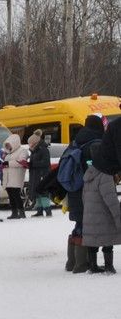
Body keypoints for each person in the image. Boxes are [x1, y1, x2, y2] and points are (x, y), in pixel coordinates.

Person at [66, 115, 106, 273]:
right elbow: (98, 170)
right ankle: (82, 264)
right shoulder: (95, 142)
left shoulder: (76, 141)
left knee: (80, 224)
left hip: (74, 189)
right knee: (87, 225)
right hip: (89, 191)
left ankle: (73, 262)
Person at [80, 118, 121, 274]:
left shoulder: (89, 174)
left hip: (90, 216)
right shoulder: (105, 175)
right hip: (103, 215)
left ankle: (92, 266)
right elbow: (110, 199)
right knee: (107, 241)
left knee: (93, 242)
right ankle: (109, 266)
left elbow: (84, 197)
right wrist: (118, 217)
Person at [26, 131, 53, 219]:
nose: (29, 145)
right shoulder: (35, 151)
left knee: (43, 193)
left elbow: (45, 162)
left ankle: (48, 210)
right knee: (37, 192)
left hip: (43, 174)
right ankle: (39, 210)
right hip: (36, 174)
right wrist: (28, 164)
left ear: (35, 142)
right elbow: (35, 162)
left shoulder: (43, 149)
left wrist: (33, 164)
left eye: (30, 143)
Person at [2, 134, 29, 219]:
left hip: (16, 176)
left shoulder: (22, 151)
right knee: (10, 195)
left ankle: (21, 212)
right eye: (6, 145)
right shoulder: (8, 153)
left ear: (14, 143)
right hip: (8, 177)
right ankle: (14, 212)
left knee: (16, 194)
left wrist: (8, 163)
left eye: (9, 144)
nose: (8, 147)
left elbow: (21, 162)